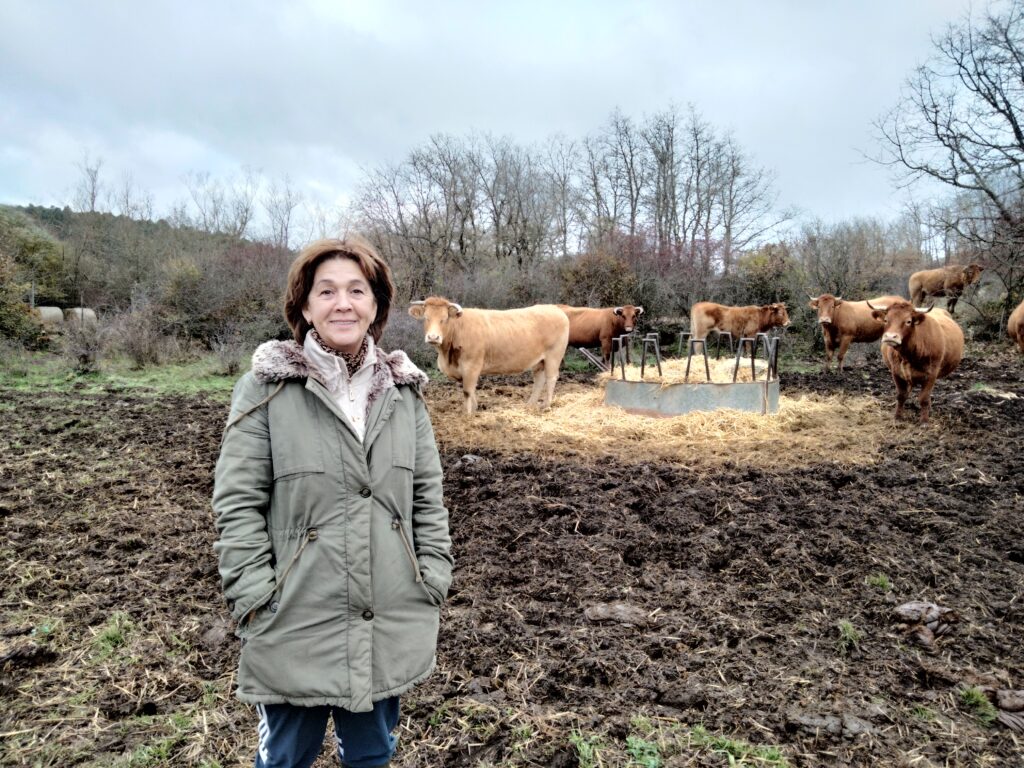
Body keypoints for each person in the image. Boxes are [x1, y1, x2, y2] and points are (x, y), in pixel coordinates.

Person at [212, 236, 453, 768]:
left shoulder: (404, 394)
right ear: (304, 306)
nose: (342, 303)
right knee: (285, 760)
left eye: (356, 290)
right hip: (293, 617)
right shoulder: (266, 390)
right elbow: (236, 502)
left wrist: (431, 576)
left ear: (376, 305)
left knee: (370, 757)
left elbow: (427, 498)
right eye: (326, 291)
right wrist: (255, 596)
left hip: (388, 613)